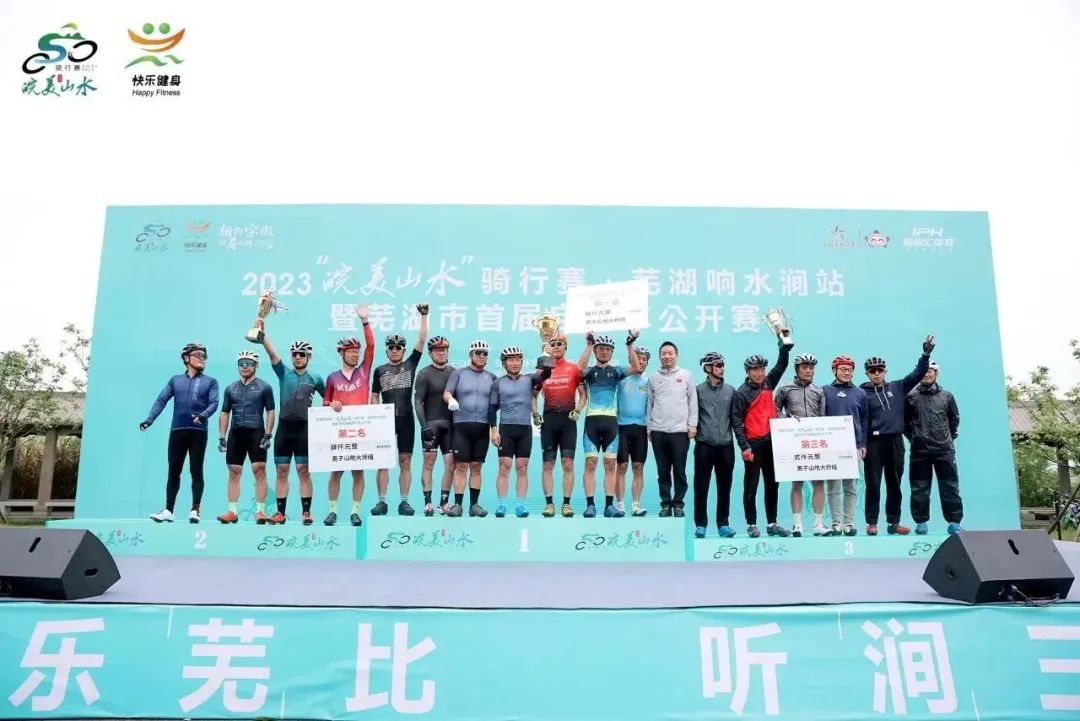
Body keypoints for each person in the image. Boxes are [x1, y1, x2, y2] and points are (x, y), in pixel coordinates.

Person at [858, 335, 935, 535]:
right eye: (872, 371)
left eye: (880, 370)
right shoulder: (861, 393)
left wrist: (925, 354)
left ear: (885, 371)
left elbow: (917, 374)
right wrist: (860, 443)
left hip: (895, 441)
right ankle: (872, 523)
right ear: (867, 373)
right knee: (873, 484)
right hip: (872, 443)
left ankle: (893, 522)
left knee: (894, 484)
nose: (876, 373)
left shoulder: (897, 387)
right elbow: (857, 419)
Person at [256, 322, 325, 525]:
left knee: (303, 470)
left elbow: (329, 400)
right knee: (281, 471)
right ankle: (280, 513)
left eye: (302, 354)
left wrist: (335, 404)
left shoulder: (316, 378)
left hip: (304, 430)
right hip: (284, 429)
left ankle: (306, 513)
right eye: (295, 354)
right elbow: (272, 355)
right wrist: (263, 336)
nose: (298, 357)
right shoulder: (284, 373)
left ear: (309, 357)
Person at [142, 342, 219, 523]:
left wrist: (203, 416)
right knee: (173, 471)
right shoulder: (175, 380)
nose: (202, 359)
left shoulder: (210, 381)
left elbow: (214, 403)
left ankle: (195, 510)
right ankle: (168, 510)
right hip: (177, 430)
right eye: (198, 355)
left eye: (204, 356)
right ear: (186, 358)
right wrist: (149, 419)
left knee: (196, 470)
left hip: (198, 431)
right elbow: (161, 400)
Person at [370, 304, 430, 517]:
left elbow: (421, 340)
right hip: (385, 421)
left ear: (404, 350)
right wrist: (374, 413)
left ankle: (404, 502)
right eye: (391, 347)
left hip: (406, 419)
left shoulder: (411, 364)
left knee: (405, 461)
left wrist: (424, 316)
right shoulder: (379, 370)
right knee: (383, 462)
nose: (395, 350)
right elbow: (374, 395)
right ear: (386, 350)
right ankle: (382, 502)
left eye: (398, 347)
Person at [576, 330, 642, 517]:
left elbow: (636, 367)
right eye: (601, 349)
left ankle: (609, 506)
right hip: (592, 422)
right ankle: (590, 505)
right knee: (590, 463)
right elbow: (579, 369)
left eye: (608, 349)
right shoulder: (590, 372)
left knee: (610, 464)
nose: (604, 352)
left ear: (612, 352)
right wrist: (589, 345)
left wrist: (630, 345)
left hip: (611, 422)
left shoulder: (617, 371)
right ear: (596, 351)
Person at [731, 341, 792, 538]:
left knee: (772, 484)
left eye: (762, 369)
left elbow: (781, 365)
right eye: (755, 369)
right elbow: (736, 422)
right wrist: (744, 447)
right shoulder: (742, 393)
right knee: (751, 486)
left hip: (771, 442)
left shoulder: (768, 383)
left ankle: (772, 523)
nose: (760, 373)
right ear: (748, 371)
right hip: (753, 445)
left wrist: (783, 349)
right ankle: (751, 524)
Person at [322, 305, 374, 527]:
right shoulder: (332, 378)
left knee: (358, 472)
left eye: (357, 351)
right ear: (341, 353)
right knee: (336, 472)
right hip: (339, 433)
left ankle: (355, 511)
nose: (355, 354)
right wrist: (330, 404)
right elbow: (325, 403)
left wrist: (365, 321)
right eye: (351, 351)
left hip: (360, 431)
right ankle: (332, 511)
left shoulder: (363, 371)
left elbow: (371, 346)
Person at [489, 345, 551, 517]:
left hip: (525, 429)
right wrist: (494, 430)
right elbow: (492, 409)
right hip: (506, 428)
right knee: (504, 467)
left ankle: (520, 505)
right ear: (504, 363)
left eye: (518, 360)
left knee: (522, 468)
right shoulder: (498, 383)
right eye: (511, 360)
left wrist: (546, 352)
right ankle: (502, 505)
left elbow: (546, 374)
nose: (515, 363)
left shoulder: (530, 379)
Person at [215, 351, 276, 524]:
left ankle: (260, 512)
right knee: (234, 471)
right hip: (235, 433)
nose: (244, 367)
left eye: (249, 363)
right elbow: (225, 412)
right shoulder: (230, 388)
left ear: (256, 365)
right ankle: (232, 512)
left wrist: (268, 434)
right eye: (241, 363)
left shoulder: (265, 387)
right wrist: (221, 437)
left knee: (259, 470)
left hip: (256, 432)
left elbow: (270, 411)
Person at [904, 361, 963, 534]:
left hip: (944, 450)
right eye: (924, 371)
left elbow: (954, 420)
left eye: (930, 371)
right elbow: (905, 423)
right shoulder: (911, 397)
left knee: (949, 486)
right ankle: (921, 522)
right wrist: (915, 438)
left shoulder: (947, 396)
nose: (927, 374)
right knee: (919, 488)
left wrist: (947, 437)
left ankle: (954, 522)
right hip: (920, 450)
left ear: (936, 374)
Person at [532, 333, 587, 517]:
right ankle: (549, 504)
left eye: (559, 344)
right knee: (548, 464)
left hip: (567, 421)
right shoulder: (543, 370)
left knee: (568, 463)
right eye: (553, 344)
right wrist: (535, 413)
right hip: (549, 421)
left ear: (565, 347)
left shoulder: (573, 369)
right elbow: (533, 394)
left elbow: (583, 394)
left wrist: (578, 410)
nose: (556, 346)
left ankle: (566, 505)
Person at [774, 353, 829, 537]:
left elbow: (822, 416)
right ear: (797, 369)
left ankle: (818, 524)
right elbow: (775, 410)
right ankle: (797, 524)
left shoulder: (818, 390)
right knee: (796, 483)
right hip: (794, 442)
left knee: (819, 482)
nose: (808, 370)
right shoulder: (785, 388)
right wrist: (786, 419)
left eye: (811, 367)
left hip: (814, 442)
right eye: (804, 367)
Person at [443, 340, 497, 517]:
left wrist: (495, 428)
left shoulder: (492, 377)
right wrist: (451, 399)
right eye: (478, 353)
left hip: (482, 426)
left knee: (476, 467)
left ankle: (474, 505)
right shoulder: (459, 374)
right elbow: (447, 392)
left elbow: (497, 402)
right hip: (462, 425)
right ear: (471, 355)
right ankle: (457, 505)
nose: (482, 356)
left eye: (485, 353)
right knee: (461, 466)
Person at [646, 341, 697, 517]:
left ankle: (678, 503)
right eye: (664, 353)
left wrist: (692, 424)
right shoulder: (653, 378)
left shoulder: (686, 375)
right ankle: (666, 503)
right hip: (658, 430)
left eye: (670, 353)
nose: (667, 356)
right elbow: (649, 403)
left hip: (680, 431)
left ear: (676, 355)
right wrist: (649, 427)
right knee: (663, 471)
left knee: (680, 470)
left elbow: (692, 400)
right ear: (660, 356)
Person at [822, 355, 870, 537]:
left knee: (850, 487)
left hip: (853, 446)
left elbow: (864, 420)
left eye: (850, 370)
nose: (847, 372)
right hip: (831, 447)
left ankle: (848, 524)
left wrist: (862, 443)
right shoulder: (825, 391)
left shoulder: (860, 393)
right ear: (834, 370)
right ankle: (836, 524)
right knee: (833, 487)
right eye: (843, 369)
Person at [693, 352, 736, 538]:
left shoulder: (731, 391)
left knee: (724, 487)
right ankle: (700, 525)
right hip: (704, 446)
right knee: (701, 487)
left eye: (723, 364)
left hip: (726, 446)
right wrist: (698, 436)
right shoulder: (698, 391)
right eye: (718, 365)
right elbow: (692, 416)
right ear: (708, 368)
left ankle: (723, 524)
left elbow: (736, 418)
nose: (722, 368)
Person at [414, 335, 456, 516]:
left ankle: (444, 503)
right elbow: (418, 401)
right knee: (429, 463)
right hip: (431, 425)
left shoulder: (453, 372)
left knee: (451, 464)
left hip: (449, 426)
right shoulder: (424, 374)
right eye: (437, 350)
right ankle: (428, 503)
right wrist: (424, 426)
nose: (441, 353)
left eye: (444, 350)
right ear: (430, 353)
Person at [616, 345, 651, 517]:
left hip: (641, 429)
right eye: (638, 358)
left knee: (638, 467)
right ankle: (620, 504)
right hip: (621, 427)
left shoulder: (648, 381)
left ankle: (636, 504)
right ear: (631, 359)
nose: (641, 362)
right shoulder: (621, 378)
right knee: (621, 466)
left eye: (644, 359)